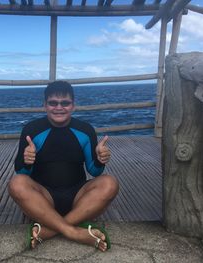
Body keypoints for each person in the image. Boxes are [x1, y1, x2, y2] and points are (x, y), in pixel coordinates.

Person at [8, 80, 119, 252]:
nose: (59, 107)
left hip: (78, 197)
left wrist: (100, 158)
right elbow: (21, 171)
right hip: (44, 197)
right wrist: (27, 160)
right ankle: (74, 232)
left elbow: (95, 171)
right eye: (53, 103)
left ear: (73, 106)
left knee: (110, 183)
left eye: (65, 103)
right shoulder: (32, 129)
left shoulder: (85, 129)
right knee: (16, 183)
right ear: (44, 105)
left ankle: (50, 230)